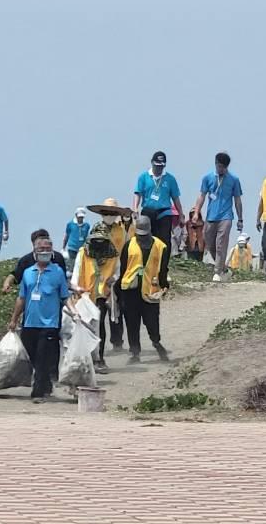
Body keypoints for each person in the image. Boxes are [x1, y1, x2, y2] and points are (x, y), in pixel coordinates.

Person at [7, 235, 73, 403]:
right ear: (34, 252)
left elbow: (65, 296)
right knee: (32, 356)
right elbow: (21, 298)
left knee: (43, 355)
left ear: (52, 252)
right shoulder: (28, 273)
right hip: (29, 322)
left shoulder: (57, 272)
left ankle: (37, 392)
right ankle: (46, 385)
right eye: (40, 250)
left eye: (47, 249)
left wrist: (74, 312)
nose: (44, 252)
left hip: (50, 323)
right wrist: (14, 319)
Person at [71, 200, 131, 373]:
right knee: (84, 326)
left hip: (103, 294)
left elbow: (117, 271)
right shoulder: (84, 253)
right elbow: (76, 272)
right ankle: (85, 359)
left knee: (100, 326)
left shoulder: (113, 255)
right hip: (84, 294)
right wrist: (76, 287)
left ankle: (99, 358)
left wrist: (113, 279)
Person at [118, 215, 170, 363]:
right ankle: (134, 352)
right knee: (132, 322)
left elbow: (163, 269)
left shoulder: (161, 247)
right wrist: (118, 292)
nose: (141, 238)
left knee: (152, 320)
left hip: (151, 289)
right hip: (130, 290)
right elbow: (123, 268)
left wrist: (164, 285)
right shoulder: (129, 245)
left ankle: (156, 343)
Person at [192, 152, 244, 282]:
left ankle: (217, 272)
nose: (220, 169)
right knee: (209, 243)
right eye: (219, 166)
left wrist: (240, 219)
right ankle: (224, 269)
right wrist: (196, 212)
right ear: (215, 164)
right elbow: (202, 196)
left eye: (223, 167)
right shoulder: (207, 178)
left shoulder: (234, 180)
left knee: (221, 243)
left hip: (226, 216)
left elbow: (237, 200)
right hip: (211, 216)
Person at [132, 151, 185, 253]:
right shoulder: (143, 177)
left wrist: (181, 214)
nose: (159, 168)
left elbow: (176, 198)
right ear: (152, 162)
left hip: (164, 212)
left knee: (164, 240)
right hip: (148, 211)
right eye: (157, 166)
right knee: (145, 237)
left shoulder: (170, 179)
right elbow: (137, 193)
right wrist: (135, 208)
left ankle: (163, 266)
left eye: (161, 166)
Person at [2, 229, 67, 294]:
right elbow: (15, 275)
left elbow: (64, 281)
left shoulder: (58, 257)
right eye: (40, 246)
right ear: (34, 245)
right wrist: (7, 283)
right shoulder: (25, 261)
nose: (44, 251)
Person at [62, 208, 91, 273]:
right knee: (73, 266)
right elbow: (66, 236)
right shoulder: (70, 224)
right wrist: (63, 247)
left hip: (82, 249)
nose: (80, 219)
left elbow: (88, 237)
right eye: (79, 217)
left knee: (82, 267)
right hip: (72, 248)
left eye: (82, 217)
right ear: (76, 215)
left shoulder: (86, 225)